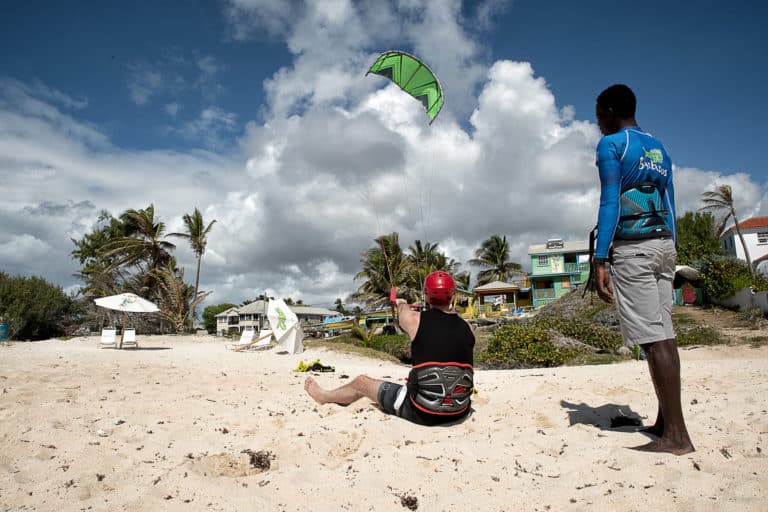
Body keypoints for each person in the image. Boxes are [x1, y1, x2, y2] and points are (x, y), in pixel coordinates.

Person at [592, 84, 694, 455]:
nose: (597, 121)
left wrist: (600, 257)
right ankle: (666, 422)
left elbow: (609, 203)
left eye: (598, 113)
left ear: (610, 110)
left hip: (634, 249)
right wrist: (672, 248)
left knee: (654, 339)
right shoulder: (658, 147)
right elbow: (669, 200)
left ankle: (676, 438)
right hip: (664, 246)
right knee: (663, 334)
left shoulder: (613, 145)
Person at [304, 271, 475, 426]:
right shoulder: (467, 327)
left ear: (427, 295)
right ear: (452, 295)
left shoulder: (415, 319)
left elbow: (402, 314)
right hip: (460, 410)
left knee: (361, 383)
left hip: (423, 412)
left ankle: (323, 396)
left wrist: (401, 303)